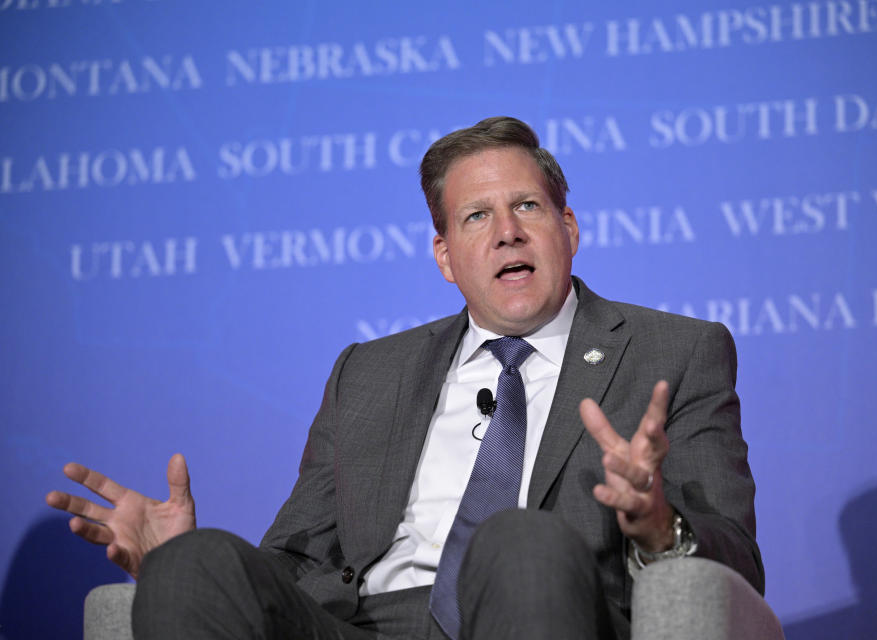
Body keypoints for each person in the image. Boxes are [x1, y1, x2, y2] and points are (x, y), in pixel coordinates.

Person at [47, 116, 763, 639]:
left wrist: (657, 523)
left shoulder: (676, 350)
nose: (507, 232)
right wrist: (183, 571)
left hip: (541, 609)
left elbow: (737, 559)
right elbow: (295, 560)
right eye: (476, 216)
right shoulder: (370, 373)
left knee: (521, 541)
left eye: (527, 207)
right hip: (363, 627)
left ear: (568, 230)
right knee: (198, 561)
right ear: (446, 257)